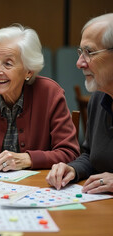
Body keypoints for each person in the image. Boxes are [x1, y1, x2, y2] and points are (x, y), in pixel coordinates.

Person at [0, 24, 80, 171]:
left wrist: (28, 159)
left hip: (37, 188)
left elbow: (70, 153)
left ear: (28, 71)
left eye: (8, 63)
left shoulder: (50, 94)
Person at [46, 13, 113, 194]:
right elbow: (91, 157)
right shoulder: (99, 98)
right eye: (80, 52)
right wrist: (73, 169)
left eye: (89, 52)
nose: (79, 63)